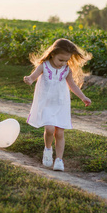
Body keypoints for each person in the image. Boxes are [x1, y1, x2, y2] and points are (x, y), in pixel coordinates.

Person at [23, 38, 92, 171]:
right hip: (47, 103)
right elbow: (34, 76)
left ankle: (59, 160)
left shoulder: (66, 70)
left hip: (61, 104)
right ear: (53, 54)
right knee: (49, 129)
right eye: (61, 60)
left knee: (59, 133)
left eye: (66, 60)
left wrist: (83, 97)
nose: (64, 63)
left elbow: (72, 85)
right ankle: (48, 149)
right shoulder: (44, 66)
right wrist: (29, 79)